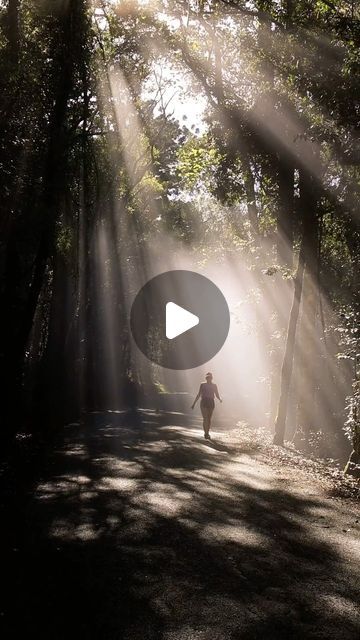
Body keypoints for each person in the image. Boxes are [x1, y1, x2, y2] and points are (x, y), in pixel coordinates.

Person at [191, 372, 222, 439]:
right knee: (205, 418)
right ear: (206, 378)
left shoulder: (214, 385)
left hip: (211, 402)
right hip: (204, 401)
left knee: (209, 418)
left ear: (212, 378)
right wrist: (194, 403)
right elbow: (199, 394)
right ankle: (206, 433)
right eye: (207, 377)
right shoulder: (202, 385)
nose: (208, 378)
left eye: (210, 377)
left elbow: (217, 394)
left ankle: (207, 431)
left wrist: (220, 399)